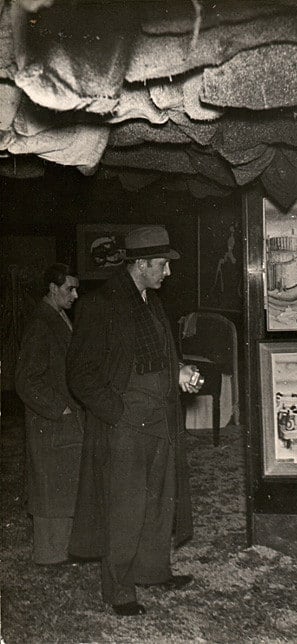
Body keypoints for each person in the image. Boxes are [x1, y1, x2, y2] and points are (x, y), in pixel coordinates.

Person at [66, 226, 202, 617]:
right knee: (125, 507)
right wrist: (118, 412)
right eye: (161, 265)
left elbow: (154, 354)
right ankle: (119, 590)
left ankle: (153, 571)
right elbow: (80, 373)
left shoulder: (149, 299)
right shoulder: (100, 304)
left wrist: (179, 371)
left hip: (161, 417)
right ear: (140, 265)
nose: (167, 273)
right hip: (125, 423)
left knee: (160, 500)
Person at [15, 263, 83, 566]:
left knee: (61, 485)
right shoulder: (41, 323)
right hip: (50, 421)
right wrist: (60, 408)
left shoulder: (57, 316)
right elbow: (26, 379)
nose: (75, 294)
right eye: (69, 288)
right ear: (53, 288)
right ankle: (50, 554)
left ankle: (61, 551)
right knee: (50, 487)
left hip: (60, 420)